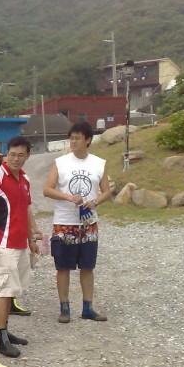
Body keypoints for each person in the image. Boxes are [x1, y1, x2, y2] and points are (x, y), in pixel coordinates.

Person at [42, 121, 112, 323]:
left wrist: (95, 201)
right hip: (64, 222)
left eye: (77, 138)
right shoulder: (61, 162)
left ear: (87, 140)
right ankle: (64, 308)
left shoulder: (99, 163)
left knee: (87, 266)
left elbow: (106, 191)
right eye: (71, 138)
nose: (73, 141)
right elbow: (47, 189)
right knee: (63, 267)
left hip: (88, 223)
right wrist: (67, 197)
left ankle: (87, 307)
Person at [0, 137, 43, 358]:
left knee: (12, 290)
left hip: (19, 244)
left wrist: (31, 240)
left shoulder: (24, 179)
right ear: (6, 154)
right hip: (2, 244)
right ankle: (0, 336)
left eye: (21, 155)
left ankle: (5, 331)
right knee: (4, 291)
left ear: (28, 156)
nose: (16, 159)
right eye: (12, 154)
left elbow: (24, 210)